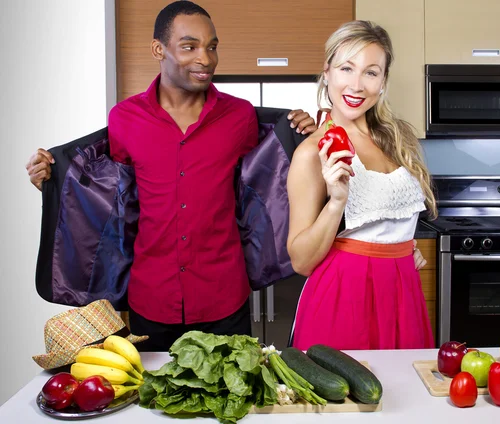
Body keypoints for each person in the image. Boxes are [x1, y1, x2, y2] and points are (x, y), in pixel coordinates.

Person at [25, 1, 317, 351]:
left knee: (233, 403)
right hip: (151, 301)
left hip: (225, 300)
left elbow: (274, 167)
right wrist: (52, 178)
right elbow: (107, 191)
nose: (205, 59)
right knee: (156, 404)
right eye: (190, 46)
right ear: (158, 49)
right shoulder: (124, 119)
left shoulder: (239, 118)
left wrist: (298, 132)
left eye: (212, 47)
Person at [287, 20, 437, 350]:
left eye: (371, 72)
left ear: (383, 82)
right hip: (344, 295)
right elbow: (301, 260)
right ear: (327, 73)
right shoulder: (313, 151)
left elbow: (392, 220)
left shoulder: (399, 139)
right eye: (346, 68)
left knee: (408, 395)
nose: (357, 85)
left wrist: (404, 246)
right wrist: (337, 200)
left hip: (402, 290)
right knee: (350, 400)